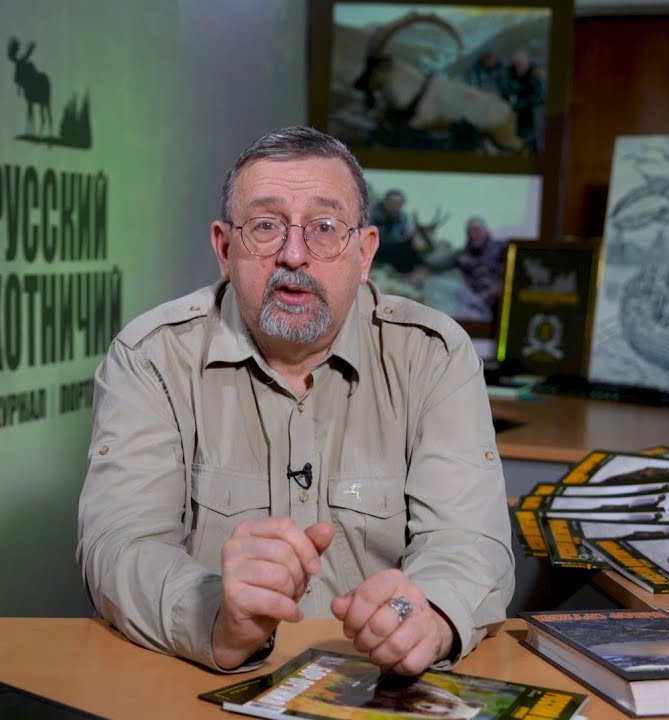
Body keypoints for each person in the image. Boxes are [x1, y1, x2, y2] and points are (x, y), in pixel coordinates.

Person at [76, 126, 513, 676]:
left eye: (325, 228)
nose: (294, 255)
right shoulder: (150, 358)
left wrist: (429, 616)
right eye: (265, 226)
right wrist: (217, 618)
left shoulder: (434, 355)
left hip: (380, 686)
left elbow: (467, 539)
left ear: (365, 252)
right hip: (200, 688)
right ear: (225, 249)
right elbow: (120, 546)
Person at [424, 217, 507, 322]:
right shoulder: (463, 254)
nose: (473, 235)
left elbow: (518, 267)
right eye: (469, 232)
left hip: (499, 302)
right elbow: (437, 265)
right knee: (435, 285)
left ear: (486, 231)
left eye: (476, 230)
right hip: (473, 302)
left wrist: (502, 285)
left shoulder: (501, 248)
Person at [370, 189, 424, 274]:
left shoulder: (403, 218)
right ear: (385, 201)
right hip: (375, 246)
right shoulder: (372, 213)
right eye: (392, 202)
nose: (394, 206)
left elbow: (403, 237)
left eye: (398, 203)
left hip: (393, 248)